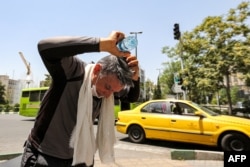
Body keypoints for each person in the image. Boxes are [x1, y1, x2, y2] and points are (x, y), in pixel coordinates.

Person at [20, 31, 140, 167]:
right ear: (97, 70)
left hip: (81, 158)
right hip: (45, 156)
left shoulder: (110, 88)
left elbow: (131, 96)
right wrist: (101, 44)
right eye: (107, 87)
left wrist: (136, 78)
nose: (108, 95)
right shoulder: (73, 71)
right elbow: (45, 47)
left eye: (114, 91)